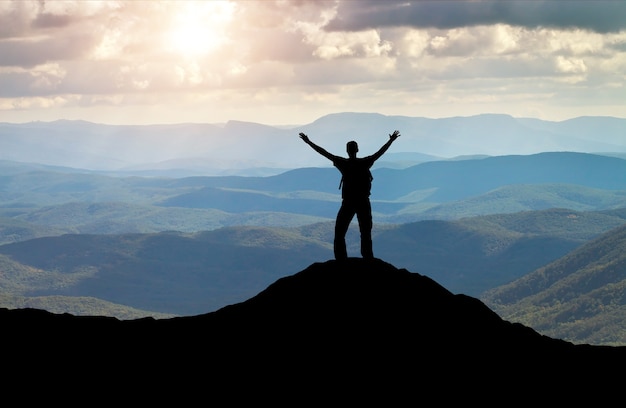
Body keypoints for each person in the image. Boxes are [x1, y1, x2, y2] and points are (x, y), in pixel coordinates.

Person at [299, 130, 400, 260]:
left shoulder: (343, 163)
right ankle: (368, 258)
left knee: (340, 232)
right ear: (357, 150)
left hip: (348, 202)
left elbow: (323, 152)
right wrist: (391, 140)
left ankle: (341, 260)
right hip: (363, 202)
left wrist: (308, 142)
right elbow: (380, 152)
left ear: (347, 151)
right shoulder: (365, 162)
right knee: (365, 232)